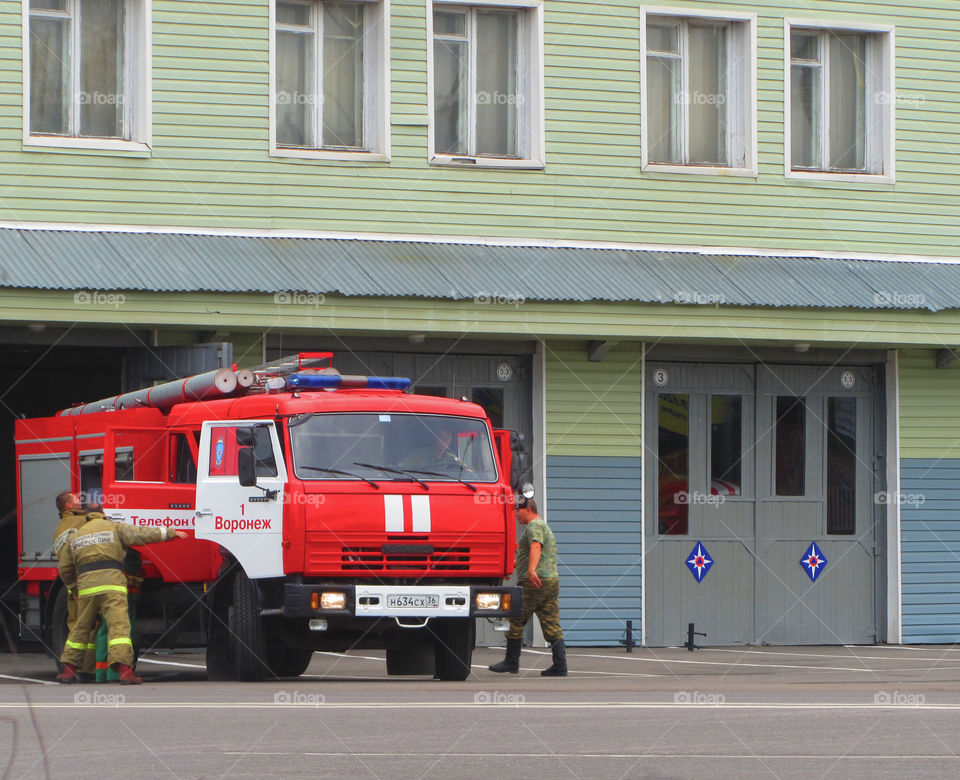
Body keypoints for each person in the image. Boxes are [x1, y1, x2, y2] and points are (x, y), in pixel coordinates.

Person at [56, 508, 187, 685]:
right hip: (113, 586)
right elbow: (141, 534)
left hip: (87, 588)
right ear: (103, 514)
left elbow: (64, 568)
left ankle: (68, 672)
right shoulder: (114, 527)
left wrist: (74, 588)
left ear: (87, 517)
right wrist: (170, 533)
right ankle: (125, 673)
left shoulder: (76, 535)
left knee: (80, 628)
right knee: (119, 629)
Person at [489, 497, 567, 677]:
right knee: (551, 623)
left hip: (535, 582)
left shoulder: (534, 527)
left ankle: (511, 661)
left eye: (518, 511)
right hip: (550, 581)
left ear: (528, 510)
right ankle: (560, 665)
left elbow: (536, 547)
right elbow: (527, 556)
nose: (516, 514)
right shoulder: (543, 526)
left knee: (515, 618)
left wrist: (531, 571)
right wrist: (510, 566)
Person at [51, 491, 97, 678]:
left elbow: (64, 563)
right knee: (89, 626)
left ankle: (73, 669)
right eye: (77, 498)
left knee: (75, 627)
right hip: (86, 580)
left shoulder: (60, 528)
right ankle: (88, 670)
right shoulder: (82, 521)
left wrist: (72, 585)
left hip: (74, 584)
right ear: (69, 505)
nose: (81, 499)